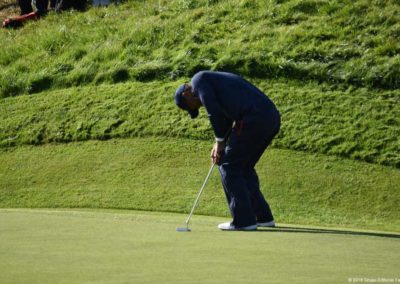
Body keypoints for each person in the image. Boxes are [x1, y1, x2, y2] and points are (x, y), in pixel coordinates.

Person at [174, 71, 281, 231]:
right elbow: (224, 119)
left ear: (186, 93)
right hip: (269, 117)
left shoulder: (199, 80)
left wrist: (220, 142)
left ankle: (244, 221)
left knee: (228, 166)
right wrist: (218, 143)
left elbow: (214, 112)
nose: (197, 107)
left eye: (191, 106)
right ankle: (263, 217)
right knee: (243, 167)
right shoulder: (213, 83)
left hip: (253, 118)